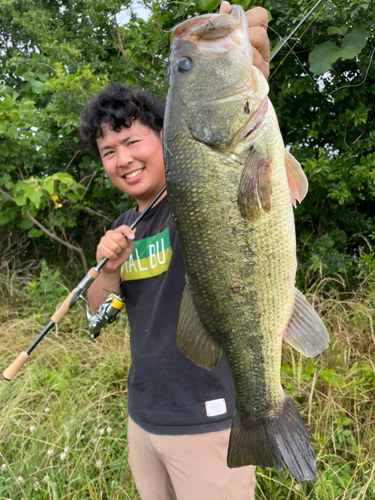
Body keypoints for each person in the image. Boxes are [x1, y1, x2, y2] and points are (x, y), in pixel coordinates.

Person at [80, 2, 270, 499]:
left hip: (207, 418)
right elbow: (97, 318)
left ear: (165, 136)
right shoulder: (123, 227)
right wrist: (107, 272)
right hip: (144, 418)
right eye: (108, 151)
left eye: (132, 141)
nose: (123, 159)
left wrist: (247, 76)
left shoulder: (200, 197)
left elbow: (248, 159)